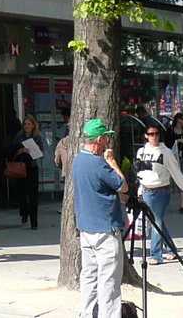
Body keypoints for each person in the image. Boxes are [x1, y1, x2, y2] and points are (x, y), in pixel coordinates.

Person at [72, 119, 128, 318]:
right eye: (105, 138)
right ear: (98, 139)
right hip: (105, 229)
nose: (107, 142)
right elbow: (123, 186)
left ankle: (87, 314)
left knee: (89, 276)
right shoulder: (99, 164)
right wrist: (112, 163)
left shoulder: (77, 160)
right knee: (109, 281)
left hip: (86, 228)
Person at [134, 120, 183, 264]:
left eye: (156, 134)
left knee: (157, 221)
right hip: (146, 190)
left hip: (161, 191)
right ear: (146, 136)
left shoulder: (166, 152)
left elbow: (176, 172)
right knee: (157, 221)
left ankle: (156, 255)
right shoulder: (141, 152)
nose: (154, 137)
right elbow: (139, 173)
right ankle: (171, 249)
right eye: (151, 134)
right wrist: (139, 190)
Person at [8, 115, 43, 230]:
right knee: (22, 192)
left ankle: (34, 222)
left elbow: (42, 153)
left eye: (29, 124)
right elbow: (11, 151)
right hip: (21, 167)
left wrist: (34, 151)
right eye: (25, 124)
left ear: (33, 125)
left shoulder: (37, 137)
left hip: (32, 166)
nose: (27, 126)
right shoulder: (19, 136)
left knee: (33, 195)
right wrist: (20, 150)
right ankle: (24, 213)